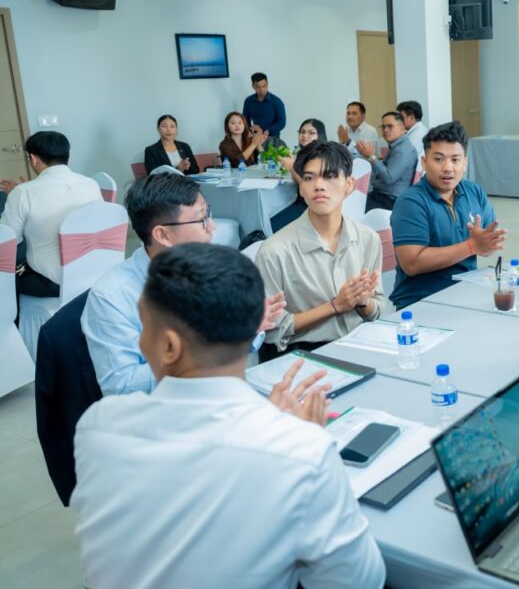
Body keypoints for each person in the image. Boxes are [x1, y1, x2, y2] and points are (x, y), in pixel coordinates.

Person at [72, 243, 386, 589]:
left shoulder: (98, 426)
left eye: (143, 329)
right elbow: (360, 581)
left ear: (169, 346)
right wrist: (292, 434)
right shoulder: (302, 450)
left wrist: (275, 428)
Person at [82, 173, 284, 396]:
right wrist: (211, 350)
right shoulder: (113, 296)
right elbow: (121, 385)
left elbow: (236, 349)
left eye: (209, 214)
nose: (212, 226)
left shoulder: (213, 269)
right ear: (163, 235)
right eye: (202, 219)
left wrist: (248, 326)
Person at [257, 142, 384, 354]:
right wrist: (335, 306)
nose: (319, 185)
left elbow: (378, 309)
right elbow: (273, 330)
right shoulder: (274, 251)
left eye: (330, 176)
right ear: (301, 187)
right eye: (309, 178)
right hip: (302, 353)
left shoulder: (368, 238)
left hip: (358, 346)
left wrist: (363, 302)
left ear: (349, 184)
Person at [390, 121, 504, 310]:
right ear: (424, 162)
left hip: (465, 294)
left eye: (455, 160)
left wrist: (485, 245)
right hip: (420, 303)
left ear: (465, 163)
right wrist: (471, 246)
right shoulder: (411, 202)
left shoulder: (474, 192)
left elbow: (488, 247)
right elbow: (412, 263)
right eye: (438, 159)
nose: (448, 168)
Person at [0, 131, 102, 297]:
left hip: (52, 282)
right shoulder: (91, 184)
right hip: (93, 272)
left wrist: (18, 196)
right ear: (67, 156)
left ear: (33, 158)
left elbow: (8, 241)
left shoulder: (23, 193)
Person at [270, 118, 329, 233]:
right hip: (300, 201)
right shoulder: (303, 153)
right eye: (302, 132)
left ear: (320, 135)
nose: (305, 135)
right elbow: (298, 181)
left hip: (311, 206)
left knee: (271, 226)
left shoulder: (319, 156)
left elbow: (308, 187)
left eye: (311, 133)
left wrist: (292, 167)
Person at [358, 111, 417, 211]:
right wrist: (370, 156)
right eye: (383, 127)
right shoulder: (397, 146)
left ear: (402, 128)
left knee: (353, 205)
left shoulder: (402, 150)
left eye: (390, 126)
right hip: (383, 195)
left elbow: (389, 178)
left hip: (390, 201)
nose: (385, 130)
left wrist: (371, 156)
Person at [242, 71, 287, 147]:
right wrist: (250, 131)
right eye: (258, 87)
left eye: (264, 86)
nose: (262, 90)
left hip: (273, 139)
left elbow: (281, 122)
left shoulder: (276, 101)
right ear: (253, 86)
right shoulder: (248, 101)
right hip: (255, 139)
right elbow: (245, 120)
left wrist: (264, 130)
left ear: (267, 84)